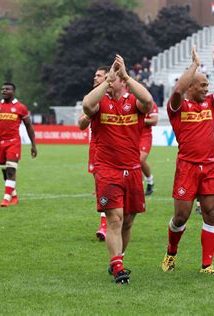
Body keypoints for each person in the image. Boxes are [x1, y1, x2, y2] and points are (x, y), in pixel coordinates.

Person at [161, 42, 214, 275]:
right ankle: (171, 253)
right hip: (187, 166)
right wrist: (194, 64)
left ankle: (207, 265)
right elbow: (176, 91)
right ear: (191, 86)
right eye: (203, 85)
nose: (207, 89)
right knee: (181, 216)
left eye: (207, 85)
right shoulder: (177, 106)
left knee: (210, 212)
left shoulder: (211, 103)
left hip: (210, 166)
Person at [82, 54, 154, 284]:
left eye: (116, 79)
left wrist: (125, 76)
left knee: (129, 220)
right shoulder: (100, 103)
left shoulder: (134, 102)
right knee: (115, 217)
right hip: (107, 169)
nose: (112, 82)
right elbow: (86, 105)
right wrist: (107, 80)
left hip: (132, 170)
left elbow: (149, 101)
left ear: (124, 82)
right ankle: (118, 267)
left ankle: (117, 259)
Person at [0, 82, 37, 207]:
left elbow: (29, 126)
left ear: (13, 91)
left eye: (7, 89)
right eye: (3, 89)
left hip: (13, 142)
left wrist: (33, 145)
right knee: (4, 171)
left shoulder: (20, 107)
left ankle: (6, 199)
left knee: (11, 169)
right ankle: (14, 196)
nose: (4, 91)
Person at [78, 66, 110, 241]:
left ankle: (113, 223)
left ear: (108, 78)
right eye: (95, 75)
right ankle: (105, 226)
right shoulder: (92, 99)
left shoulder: (115, 97)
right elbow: (81, 125)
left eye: (98, 75)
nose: (94, 78)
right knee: (101, 187)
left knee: (113, 188)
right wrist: (90, 115)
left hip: (116, 149)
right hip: (97, 148)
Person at [141, 102, 159, 196]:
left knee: (139, 160)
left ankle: (146, 182)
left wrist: (141, 120)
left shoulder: (150, 103)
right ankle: (149, 182)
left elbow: (154, 121)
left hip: (145, 136)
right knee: (133, 162)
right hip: (131, 136)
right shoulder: (128, 102)